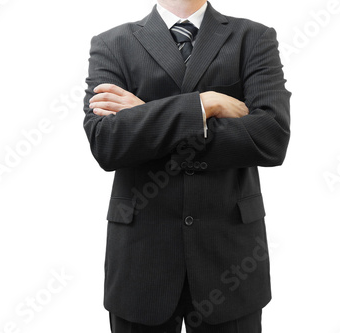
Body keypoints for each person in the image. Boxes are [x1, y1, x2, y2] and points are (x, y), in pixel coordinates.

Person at [83, 0, 291, 332]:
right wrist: (204, 104)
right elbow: (107, 143)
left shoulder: (252, 38)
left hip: (230, 259)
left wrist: (145, 116)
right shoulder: (112, 43)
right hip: (142, 259)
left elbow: (271, 138)